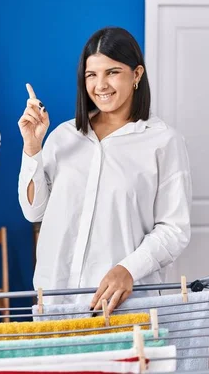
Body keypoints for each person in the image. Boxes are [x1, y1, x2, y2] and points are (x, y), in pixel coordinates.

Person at [18, 26, 192, 314]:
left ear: (136, 75)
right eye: (91, 75)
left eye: (112, 72)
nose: (100, 85)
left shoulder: (164, 141)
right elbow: (33, 212)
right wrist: (32, 148)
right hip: (55, 296)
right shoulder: (64, 136)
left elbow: (174, 229)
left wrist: (128, 269)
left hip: (123, 301)